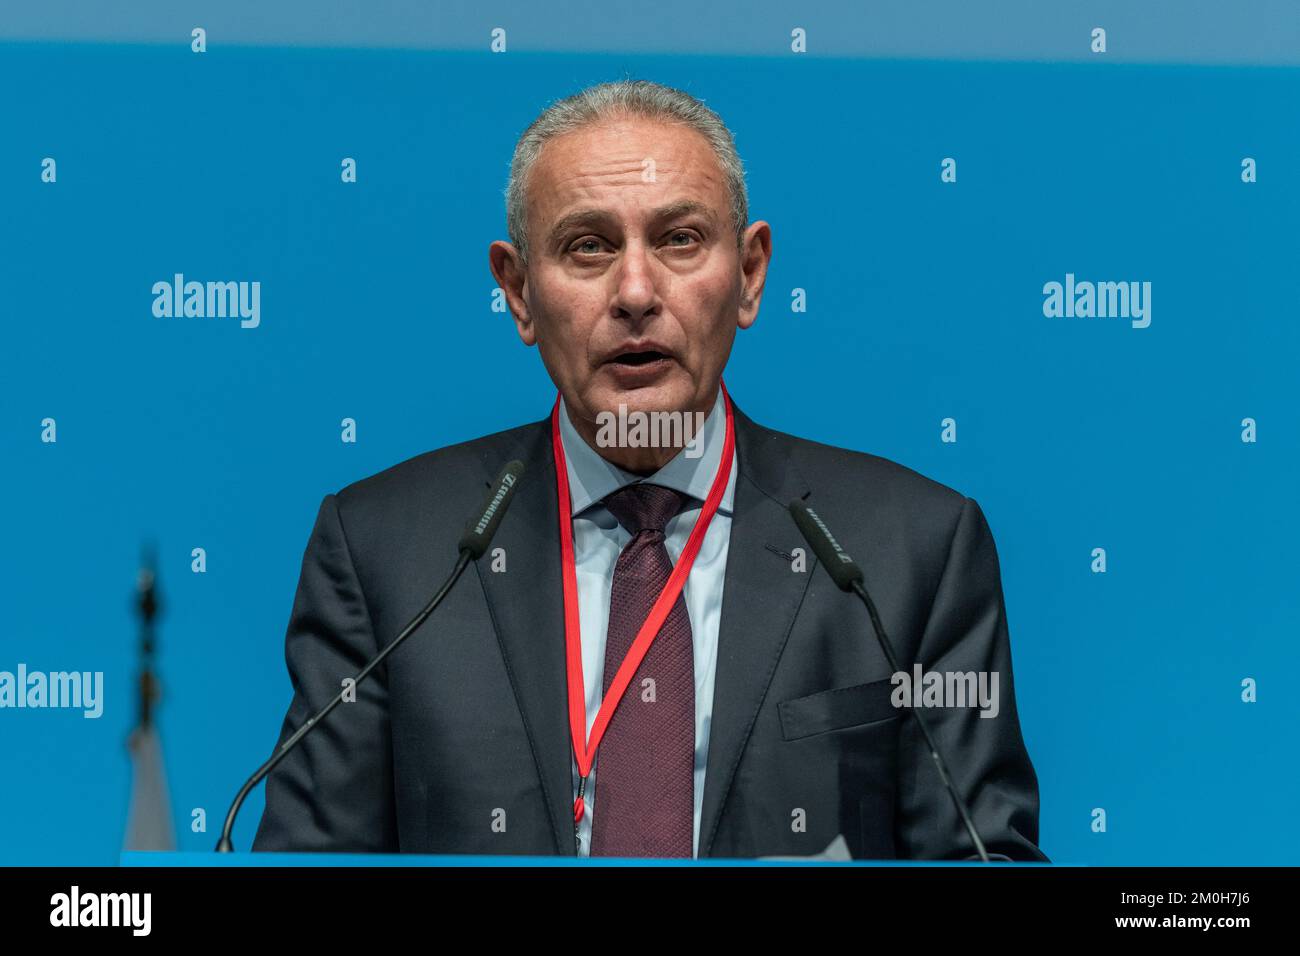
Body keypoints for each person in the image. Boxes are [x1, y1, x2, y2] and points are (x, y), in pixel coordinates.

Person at [253, 79, 1045, 861]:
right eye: (588, 246)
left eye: (679, 240)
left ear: (750, 273)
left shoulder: (911, 551)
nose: (635, 292)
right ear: (519, 293)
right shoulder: (388, 551)